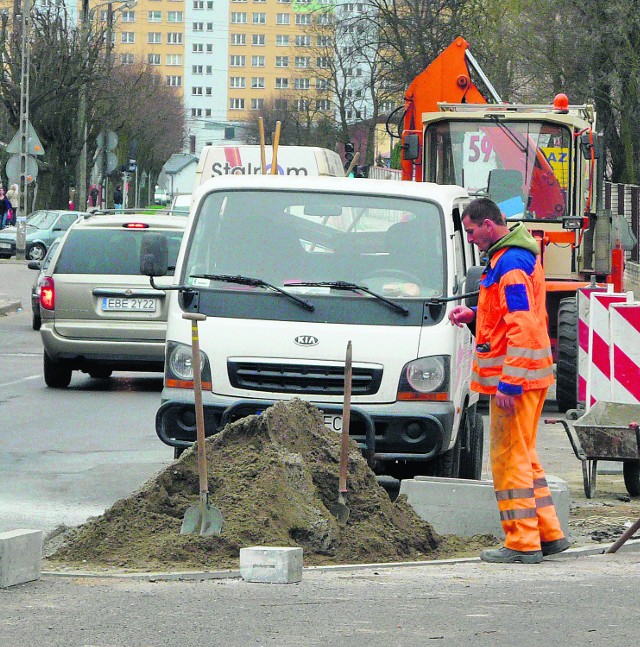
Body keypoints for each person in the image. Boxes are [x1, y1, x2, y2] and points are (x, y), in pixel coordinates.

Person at [449, 197, 569, 564]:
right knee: (525, 455)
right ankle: (547, 533)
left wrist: (508, 383)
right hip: (528, 378)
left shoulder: (511, 264)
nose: (470, 239)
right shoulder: (510, 258)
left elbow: (523, 326)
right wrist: (474, 315)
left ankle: (521, 542)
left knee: (508, 459)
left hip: (517, 381)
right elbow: (507, 319)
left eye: (471, 231)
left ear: (489, 225)